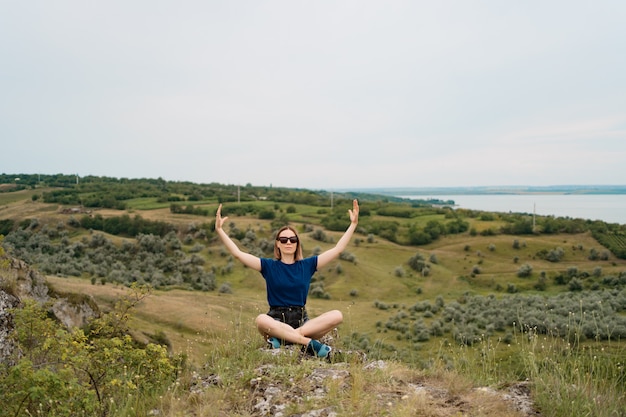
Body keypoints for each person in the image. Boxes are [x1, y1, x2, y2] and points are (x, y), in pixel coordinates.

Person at [215, 199, 359, 358]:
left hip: (302, 322)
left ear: (297, 243)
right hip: (275, 320)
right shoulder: (268, 266)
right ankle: (308, 344)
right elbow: (238, 254)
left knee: (337, 315)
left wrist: (352, 224)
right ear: (277, 244)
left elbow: (338, 250)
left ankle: (285, 339)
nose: (288, 242)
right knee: (261, 320)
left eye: (293, 239)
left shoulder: (308, 265)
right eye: (283, 240)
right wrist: (220, 229)